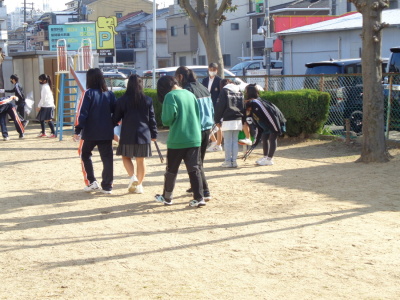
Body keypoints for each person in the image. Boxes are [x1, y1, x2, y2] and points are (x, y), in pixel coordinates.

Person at [155, 75, 205, 207]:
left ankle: (167, 197)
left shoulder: (170, 96)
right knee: (194, 169)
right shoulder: (190, 94)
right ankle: (199, 198)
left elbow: (167, 119)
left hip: (177, 138)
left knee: (171, 169)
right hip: (194, 137)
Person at [112, 75, 158, 194]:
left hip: (127, 133)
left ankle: (133, 177)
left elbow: (116, 118)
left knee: (126, 157)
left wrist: (109, 127)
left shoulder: (122, 100)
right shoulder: (148, 100)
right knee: (140, 160)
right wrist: (154, 134)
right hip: (144, 134)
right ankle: (140, 185)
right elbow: (152, 118)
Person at [74, 68, 116, 194]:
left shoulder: (88, 93)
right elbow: (116, 111)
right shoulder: (109, 94)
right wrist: (112, 124)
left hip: (90, 132)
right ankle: (107, 186)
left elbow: (82, 113)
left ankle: (92, 181)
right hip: (106, 132)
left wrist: (78, 130)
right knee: (107, 158)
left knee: (84, 154)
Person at [175, 66, 213, 201]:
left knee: (195, 163)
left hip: (195, 129)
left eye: (176, 78)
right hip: (207, 127)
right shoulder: (203, 88)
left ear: (180, 77)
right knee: (198, 161)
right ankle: (195, 186)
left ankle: (205, 191)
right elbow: (211, 108)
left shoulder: (187, 91)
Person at [244, 84, 286, 166]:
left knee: (272, 138)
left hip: (275, 122)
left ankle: (269, 159)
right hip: (268, 124)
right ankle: (265, 157)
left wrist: (275, 128)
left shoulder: (257, 103)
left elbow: (270, 116)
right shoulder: (253, 103)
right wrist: (255, 143)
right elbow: (258, 122)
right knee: (264, 137)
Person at [214, 79, 245, 168]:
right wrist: (243, 120)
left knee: (227, 141)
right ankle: (234, 161)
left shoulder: (224, 91)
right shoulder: (239, 91)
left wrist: (217, 120)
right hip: (238, 118)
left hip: (227, 119)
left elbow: (220, 106)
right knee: (235, 141)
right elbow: (243, 106)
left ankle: (228, 161)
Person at [202, 62, 223, 152]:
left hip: (216, 105)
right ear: (208, 69)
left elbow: (221, 94)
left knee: (218, 125)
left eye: (214, 70)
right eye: (210, 70)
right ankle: (214, 142)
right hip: (206, 104)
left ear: (217, 70)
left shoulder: (219, 80)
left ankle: (219, 144)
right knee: (206, 123)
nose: (212, 71)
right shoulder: (205, 80)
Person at [36, 74, 56, 138]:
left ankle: (53, 133)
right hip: (47, 105)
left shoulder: (45, 87)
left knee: (48, 120)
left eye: (40, 79)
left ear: (44, 80)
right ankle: (43, 132)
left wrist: (39, 106)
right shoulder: (47, 86)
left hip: (47, 105)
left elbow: (43, 98)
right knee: (41, 118)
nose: (39, 81)